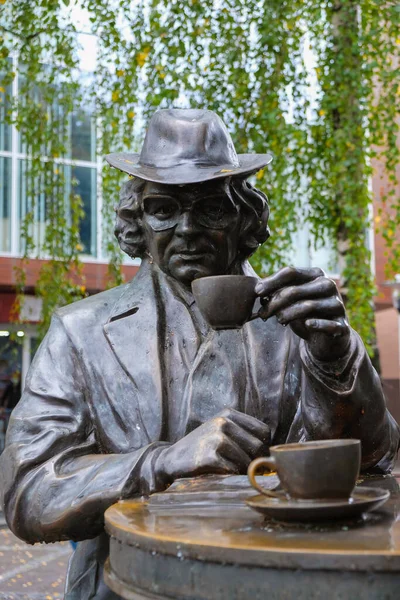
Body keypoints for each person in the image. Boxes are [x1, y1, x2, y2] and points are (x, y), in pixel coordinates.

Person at [0, 109, 398, 600]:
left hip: (277, 584)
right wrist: (164, 462)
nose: (186, 228)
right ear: (138, 222)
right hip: (125, 588)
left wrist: (336, 360)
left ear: (244, 218)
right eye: (163, 208)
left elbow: (375, 463)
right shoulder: (80, 333)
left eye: (211, 208)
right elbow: (29, 491)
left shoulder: (302, 320)